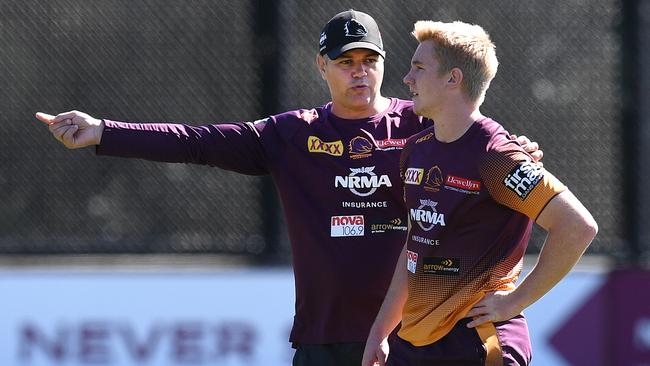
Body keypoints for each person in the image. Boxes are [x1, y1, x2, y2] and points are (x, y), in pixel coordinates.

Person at [35, 10, 542, 366]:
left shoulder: (426, 121)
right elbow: (197, 142)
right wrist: (103, 132)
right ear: (322, 67)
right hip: (323, 338)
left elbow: (487, 150)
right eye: (345, 61)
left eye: (369, 60)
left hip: (412, 338)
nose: (359, 71)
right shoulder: (292, 133)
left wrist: (523, 154)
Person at [361, 20, 598, 366]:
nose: (407, 79)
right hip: (412, 344)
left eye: (418, 68)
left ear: (453, 79)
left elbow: (578, 227)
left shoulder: (497, 156)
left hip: (476, 339)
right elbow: (416, 244)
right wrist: (381, 331)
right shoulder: (415, 151)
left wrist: (516, 301)